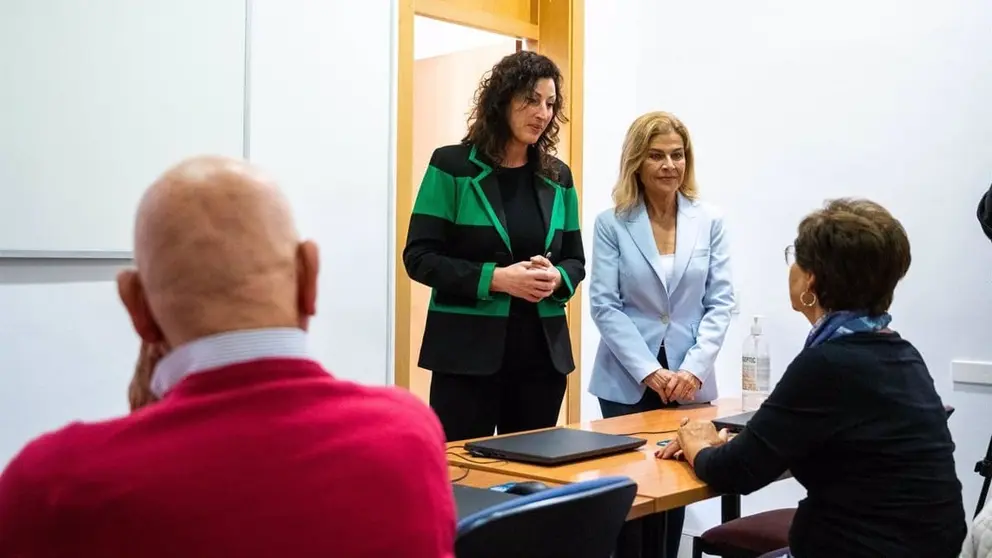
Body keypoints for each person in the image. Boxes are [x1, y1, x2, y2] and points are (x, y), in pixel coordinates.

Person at [0, 156, 456, 558]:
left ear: (136, 307)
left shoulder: (53, 486)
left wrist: (146, 430)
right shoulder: (409, 434)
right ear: (309, 276)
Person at [659, 199, 967, 558]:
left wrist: (697, 441)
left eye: (796, 257)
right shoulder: (902, 355)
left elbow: (735, 473)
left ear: (811, 280)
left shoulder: (827, 365)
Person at [403, 51, 584, 442]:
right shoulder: (451, 166)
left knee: (531, 483)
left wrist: (556, 278)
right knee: (466, 481)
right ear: (502, 100)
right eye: (531, 100)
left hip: (541, 359)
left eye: (550, 104)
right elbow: (419, 258)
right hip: (466, 357)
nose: (542, 113)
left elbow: (575, 260)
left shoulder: (558, 177)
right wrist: (498, 279)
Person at [587, 111, 734, 557]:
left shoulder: (709, 220)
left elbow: (721, 302)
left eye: (677, 155)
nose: (670, 165)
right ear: (637, 161)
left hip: (692, 382)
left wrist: (690, 370)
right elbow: (604, 304)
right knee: (631, 494)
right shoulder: (612, 223)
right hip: (625, 382)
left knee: (679, 489)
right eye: (657, 156)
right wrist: (650, 371)